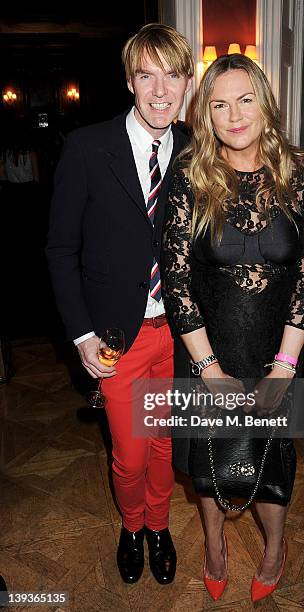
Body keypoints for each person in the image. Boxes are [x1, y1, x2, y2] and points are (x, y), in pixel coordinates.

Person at [162, 53, 304, 603]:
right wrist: (208, 370)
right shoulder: (187, 177)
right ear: (205, 115)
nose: (234, 116)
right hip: (203, 349)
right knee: (206, 465)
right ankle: (214, 544)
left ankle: (274, 548)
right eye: (218, 105)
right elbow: (178, 281)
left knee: (273, 457)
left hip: (278, 350)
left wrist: (284, 367)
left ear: (265, 103)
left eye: (245, 99)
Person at [46, 23, 194, 585]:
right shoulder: (88, 147)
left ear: (187, 83)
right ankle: (131, 525)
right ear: (130, 81)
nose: (160, 90)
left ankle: (158, 526)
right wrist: (82, 335)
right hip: (115, 337)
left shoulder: (196, 152)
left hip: (181, 336)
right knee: (130, 455)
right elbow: (61, 250)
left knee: (163, 446)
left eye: (172, 75)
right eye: (147, 75)